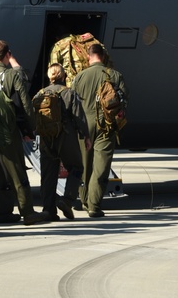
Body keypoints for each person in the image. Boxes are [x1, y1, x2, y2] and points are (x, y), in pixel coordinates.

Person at [0, 40, 48, 229]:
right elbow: (25, 104)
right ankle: (28, 212)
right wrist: (31, 128)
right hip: (8, 131)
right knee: (18, 173)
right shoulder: (12, 75)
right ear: (8, 55)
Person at [72, 42, 128, 218]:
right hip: (106, 126)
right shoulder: (115, 75)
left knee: (85, 165)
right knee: (101, 166)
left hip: (83, 125)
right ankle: (94, 205)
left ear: (88, 57)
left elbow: (73, 104)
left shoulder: (79, 77)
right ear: (103, 57)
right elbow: (123, 103)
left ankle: (84, 200)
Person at [33, 63, 89, 220]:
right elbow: (79, 117)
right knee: (77, 167)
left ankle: (49, 210)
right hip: (66, 137)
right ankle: (67, 199)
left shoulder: (39, 94)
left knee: (48, 174)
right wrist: (86, 136)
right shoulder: (69, 93)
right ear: (63, 76)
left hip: (46, 138)